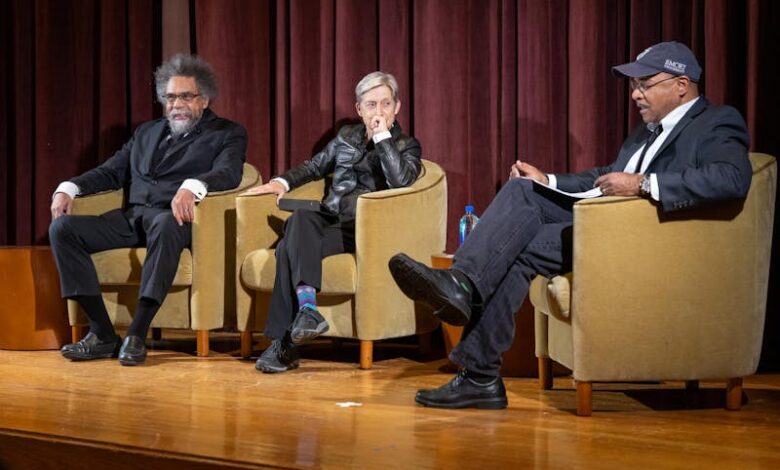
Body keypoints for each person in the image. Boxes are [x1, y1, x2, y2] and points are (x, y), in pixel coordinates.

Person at [389, 41, 752, 409]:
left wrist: (642, 183)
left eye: (645, 84)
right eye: (633, 86)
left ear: (681, 84)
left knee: (514, 242)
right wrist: (548, 180)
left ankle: (465, 304)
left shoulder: (716, 121)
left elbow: (732, 178)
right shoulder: (645, 132)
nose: (635, 95)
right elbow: (604, 177)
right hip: (602, 228)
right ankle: (476, 359)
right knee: (522, 194)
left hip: (649, 242)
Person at [49, 54, 247, 366]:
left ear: (204, 100)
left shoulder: (226, 132)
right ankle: (102, 333)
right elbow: (112, 171)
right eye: (170, 97)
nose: (176, 104)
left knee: (167, 223)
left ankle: (137, 333)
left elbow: (230, 172)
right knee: (62, 229)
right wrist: (69, 187)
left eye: (185, 96)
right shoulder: (147, 132)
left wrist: (193, 185)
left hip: (174, 218)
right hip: (132, 218)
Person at [241, 71, 422, 373]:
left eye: (386, 104)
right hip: (332, 222)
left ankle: (284, 344)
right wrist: (281, 182)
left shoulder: (406, 146)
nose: (379, 112)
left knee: (287, 249)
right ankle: (308, 311)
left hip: (367, 231)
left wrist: (382, 139)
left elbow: (401, 182)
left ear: (397, 107)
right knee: (300, 220)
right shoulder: (345, 138)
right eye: (371, 104)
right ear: (359, 109)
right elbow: (314, 167)